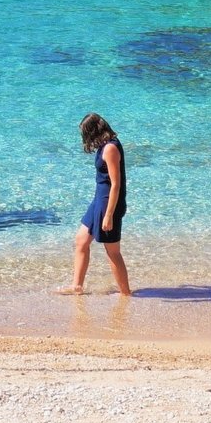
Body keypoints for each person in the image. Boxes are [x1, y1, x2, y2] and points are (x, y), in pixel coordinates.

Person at [54, 112, 131, 296]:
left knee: (112, 251)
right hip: (98, 200)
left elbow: (116, 185)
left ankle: (126, 294)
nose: (85, 138)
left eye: (85, 133)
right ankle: (77, 286)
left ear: (93, 131)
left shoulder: (110, 148)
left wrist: (109, 215)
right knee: (81, 240)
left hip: (108, 204)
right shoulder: (104, 145)